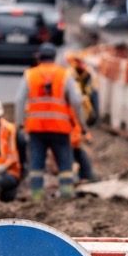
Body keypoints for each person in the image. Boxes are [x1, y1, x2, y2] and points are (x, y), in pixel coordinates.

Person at [15, 43, 88, 202]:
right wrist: (81, 124)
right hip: (60, 128)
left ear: (39, 57)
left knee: (36, 164)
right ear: (54, 57)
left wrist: (19, 124)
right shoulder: (64, 74)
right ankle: (66, 196)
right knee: (65, 164)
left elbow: (20, 100)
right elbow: (76, 100)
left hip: (36, 128)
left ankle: (37, 198)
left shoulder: (30, 74)